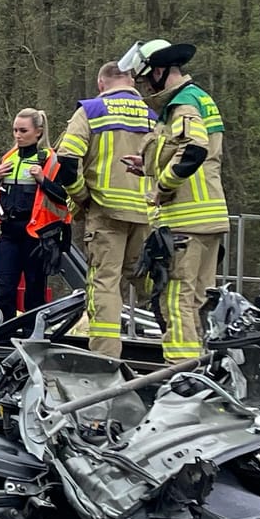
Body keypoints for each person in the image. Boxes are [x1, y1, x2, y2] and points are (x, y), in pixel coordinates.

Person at [122, 38, 228, 362]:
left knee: (176, 301)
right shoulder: (199, 99)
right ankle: (205, 370)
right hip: (206, 220)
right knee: (198, 301)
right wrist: (149, 166)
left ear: (159, 71)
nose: (142, 88)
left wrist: (162, 187)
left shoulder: (181, 105)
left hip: (185, 222)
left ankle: (181, 375)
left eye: (143, 79)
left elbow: (194, 150)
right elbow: (189, 152)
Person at [53, 61, 157, 357]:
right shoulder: (154, 116)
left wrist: (81, 196)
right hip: (148, 212)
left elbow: (67, 159)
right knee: (150, 279)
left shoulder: (91, 111)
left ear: (101, 84)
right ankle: (185, 342)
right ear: (132, 82)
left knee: (105, 284)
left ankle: (104, 357)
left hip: (106, 212)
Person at [0, 108, 64, 318]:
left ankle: (32, 335)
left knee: (35, 290)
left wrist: (43, 180)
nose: (18, 135)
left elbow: (64, 198)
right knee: (3, 288)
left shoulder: (50, 159)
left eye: (23, 130)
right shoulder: (9, 158)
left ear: (38, 132)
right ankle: (2, 336)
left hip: (36, 235)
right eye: (15, 130)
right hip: (9, 232)